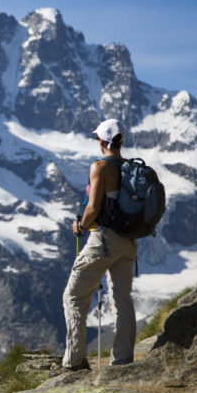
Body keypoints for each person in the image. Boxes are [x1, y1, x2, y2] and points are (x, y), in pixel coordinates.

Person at [62, 119, 137, 371]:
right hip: (128, 241)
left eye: (98, 138)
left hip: (103, 240)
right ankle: (123, 361)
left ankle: (74, 361)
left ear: (103, 141)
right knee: (122, 300)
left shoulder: (100, 167)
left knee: (73, 297)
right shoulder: (129, 168)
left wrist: (81, 226)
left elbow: (93, 207)